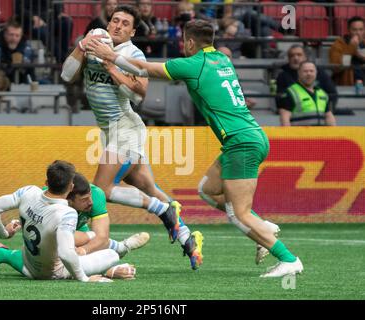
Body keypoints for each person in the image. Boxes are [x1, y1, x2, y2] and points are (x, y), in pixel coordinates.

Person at [87, 19, 303, 277]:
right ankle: (263, 226)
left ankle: (288, 259)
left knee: (238, 214)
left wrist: (109, 56)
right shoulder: (222, 59)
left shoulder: (193, 64)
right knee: (208, 190)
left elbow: (144, 69)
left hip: (241, 143)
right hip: (250, 136)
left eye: (184, 42)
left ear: (190, 42)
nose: (182, 46)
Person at [61, 5, 203, 270]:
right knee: (150, 189)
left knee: (100, 191)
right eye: (115, 20)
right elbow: (67, 75)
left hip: (125, 127)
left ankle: (163, 211)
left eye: (125, 23)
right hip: (110, 131)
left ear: (132, 31)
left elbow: (139, 96)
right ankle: (188, 238)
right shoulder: (94, 39)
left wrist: (111, 62)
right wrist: (81, 46)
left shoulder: (132, 53)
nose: (118, 26)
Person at [0, 160, 135, 281]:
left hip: (27, 265)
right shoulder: (67, 213)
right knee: (112, 255)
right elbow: (66, 253)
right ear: (71, 187)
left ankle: (0, 252)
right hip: (53, 273)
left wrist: (3, 233)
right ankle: (113, 263)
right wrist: (84, 279)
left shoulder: (28, 191)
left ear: (46, 183)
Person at [65, 172, 151, 257]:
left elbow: (101, 237)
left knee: (95, 240)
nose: (90, 202)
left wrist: (83, 250)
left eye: (90, 196)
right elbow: (57, 236)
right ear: (68, 200)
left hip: (79, 230)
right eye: (84, 199)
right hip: (59, 235)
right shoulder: (54, 203)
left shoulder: (96, 194)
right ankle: (120, 248)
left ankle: (121, 248)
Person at [277, 45, 338, 110]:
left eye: (299, 55)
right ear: (288, 59)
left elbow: (332, 94)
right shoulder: (283, 76)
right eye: (292, 56)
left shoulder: (319, 73)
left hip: (320, 114)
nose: (296, 58)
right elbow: (280, 98)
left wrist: (328, 111)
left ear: (305, 57)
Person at [278, 61, 336, 126]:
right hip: (300, 135)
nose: (309, 73)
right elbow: (284, 118)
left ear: (316, 73)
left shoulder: (322, 93)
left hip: (319, 135)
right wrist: (288, 135)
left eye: (311, 71)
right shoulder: (290, 92)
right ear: (299, 73)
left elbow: (328, 116)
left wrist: (333, 133)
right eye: (305, 71)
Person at [0, 19, 35, 84]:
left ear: (21, 36)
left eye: (17, 35)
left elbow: (29, 67)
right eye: (11, 35)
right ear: (5, 34)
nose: (14, 38)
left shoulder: (25, 45)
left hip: (20, 81)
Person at [329, 16, 365, 86]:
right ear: (348, 30)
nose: (358, 33)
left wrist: (361, 57)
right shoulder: (338, 45)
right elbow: (336, 68)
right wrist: (351, 48)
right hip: (346, 85)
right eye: (354, 30)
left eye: (361, 30)